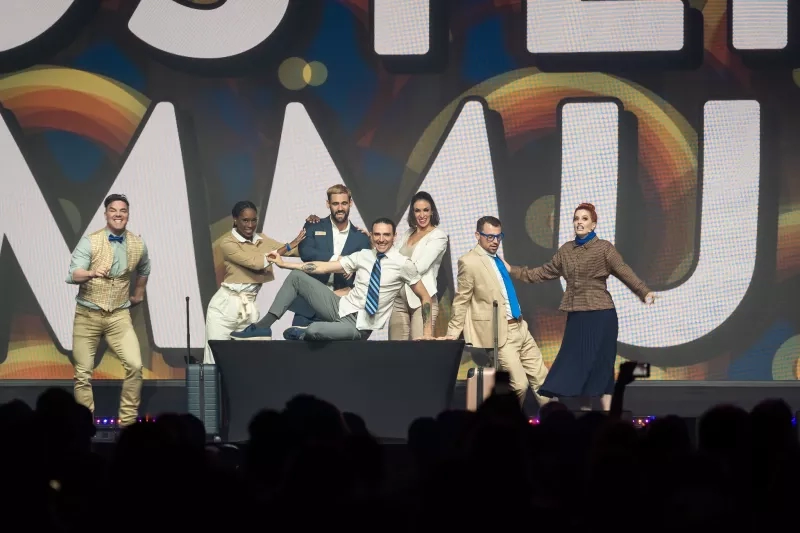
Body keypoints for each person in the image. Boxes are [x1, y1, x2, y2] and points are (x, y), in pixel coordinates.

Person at [503, 202, 656, 411]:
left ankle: (608, 419)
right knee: (575, 366)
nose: (579, 223)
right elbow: (542, 272)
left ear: (593, 224)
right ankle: (583, 419)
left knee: (601, 367)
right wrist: (513, 270)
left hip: (601, 315)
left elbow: (623, 270)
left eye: (584, 219)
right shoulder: (566, 250)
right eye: (576, 219)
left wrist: (643, 291)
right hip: (577, 316)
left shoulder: (604, 248)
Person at [231, 218, 434, 341]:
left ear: (394, 236)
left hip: (359, 326)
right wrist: (285, 264)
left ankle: (306, 332)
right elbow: (323, 266)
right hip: (339, 306)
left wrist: (427, 333)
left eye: (386, 235)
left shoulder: (403, 264)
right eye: (378, 234)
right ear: (371, 235)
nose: (381, 239)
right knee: (297, 277)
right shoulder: (363, 255)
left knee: (315, 331)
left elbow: (424, 297)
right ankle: (262, 326)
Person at [442, 216, 549, 406]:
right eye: (489, 237)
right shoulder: (469, 262)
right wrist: (452, 334)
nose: (495, 242)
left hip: (520, 327)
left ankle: (555, 424)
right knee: (519, 385)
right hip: (501, 333)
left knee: (543, 380)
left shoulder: (497, 259)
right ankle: (503, 425)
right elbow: (461, 300)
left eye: (498, 237)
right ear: (478, 235)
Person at [66, 193, 150, 427]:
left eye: (123, 211)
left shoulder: (137, 243)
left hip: (118, 316)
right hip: (88, 315)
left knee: (134, 365)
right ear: (106, 214)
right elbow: (73, 274)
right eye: (113, 210)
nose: (118, 215)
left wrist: (139, 292)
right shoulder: (90, 241)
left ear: (128, 215)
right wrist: (92, 272)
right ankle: (84, 426)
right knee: (82, 373)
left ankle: (128, 424)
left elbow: (144, 267)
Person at [203, 201, 306, 362]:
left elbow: (294, 251)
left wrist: (316, 229)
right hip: (225, 307)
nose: (250, 225)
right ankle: (212, 388)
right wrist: (288, 245)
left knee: (248, 360)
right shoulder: (227, 243)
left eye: (253, 220)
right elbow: (256, 262)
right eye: (245, 220)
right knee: (214, 359)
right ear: (235, 219)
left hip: (249, 307)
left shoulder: (262, 240)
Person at [290, 184, 371, 331]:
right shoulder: (313, 225)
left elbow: (367, 273)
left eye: (344, 203)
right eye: (335, 203)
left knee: (338, 352)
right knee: (297, 348)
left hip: (342, 306)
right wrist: (339, 259)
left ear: (350, 203)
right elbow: (305, 252)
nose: (340, 208)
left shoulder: (361, 238)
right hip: (308, 305)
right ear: (328, 204)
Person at [388, 191, 448, 340]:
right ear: (412, 213)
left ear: (432, 211)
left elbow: (419, 267)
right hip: (399, 299)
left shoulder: (438, 236)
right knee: (394, 351)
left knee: (420, 350)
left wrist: (395, 267)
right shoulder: (408, 233)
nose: (422, 215)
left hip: (422, 300)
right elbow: (390, 258)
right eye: (417, 210)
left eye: (426, 210)